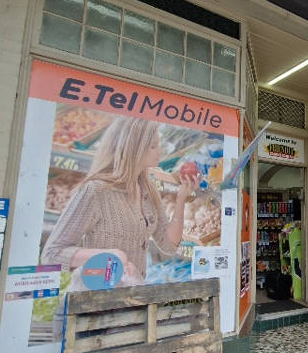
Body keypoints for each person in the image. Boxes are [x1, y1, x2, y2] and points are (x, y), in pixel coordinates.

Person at [42, 117, 200, 335]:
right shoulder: (96, 191)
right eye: (153, 145)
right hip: (88, 313)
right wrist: (109, 255)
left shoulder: (148, 191)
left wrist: (182, 198)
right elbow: (52, 253)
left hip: (127, 310)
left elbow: (168, 244)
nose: (159, 150)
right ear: (134, 148)